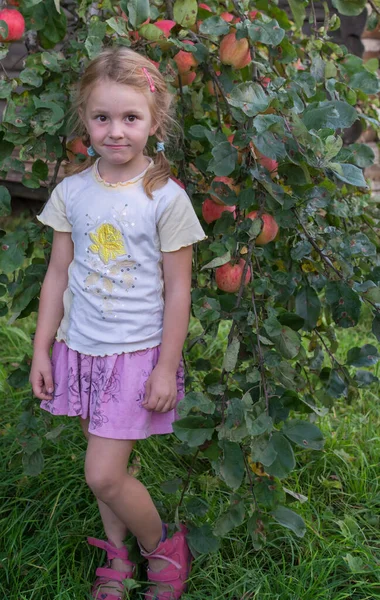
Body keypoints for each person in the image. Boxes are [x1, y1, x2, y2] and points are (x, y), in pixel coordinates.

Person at [29, 46, 206, 600]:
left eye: (131, 118)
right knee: (99, 466)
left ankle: (163, 547)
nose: (116, 131)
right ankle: (118, 556)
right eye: (102, 117)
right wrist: (41, 350)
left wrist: (166, 366)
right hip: (79, 349)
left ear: (155, 121)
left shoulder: (165, 199)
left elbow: (179, 288)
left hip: (134, 354)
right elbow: (58, 274)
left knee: (103, 474)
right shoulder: (71, 192)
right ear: (85, 118)